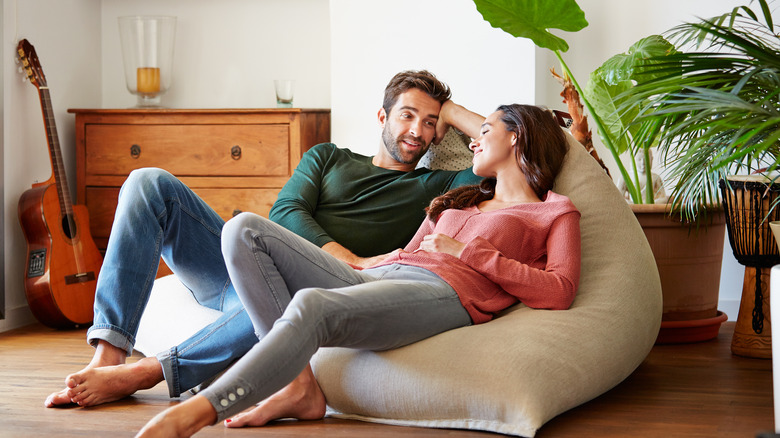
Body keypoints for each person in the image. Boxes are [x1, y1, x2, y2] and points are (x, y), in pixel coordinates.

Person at [135, 104, 582, 437]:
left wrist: (473, 254)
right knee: (243, 229)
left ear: (518, 137)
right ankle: (299, 386)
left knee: (311, 304)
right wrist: (352, 263)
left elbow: (560, 290)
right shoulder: (460, 198)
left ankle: (197, 413)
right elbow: (405, 254)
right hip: (385, 278)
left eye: (486, 130)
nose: (473, 140)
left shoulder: (554, 211)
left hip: (444, 293)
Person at [45, 70, 483, 408]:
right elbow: (285, 212)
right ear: (382, 116)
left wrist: (451, 109)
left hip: (298, 289)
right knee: (147, 181)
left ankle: (149, 373)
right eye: (408, 114)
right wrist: (350, 257)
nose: (417, 131)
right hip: (238, 264)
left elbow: (507, 151)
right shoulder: (328, 156)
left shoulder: (434, 186)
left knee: (301, 293)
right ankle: (108, 353)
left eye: (430, 123)